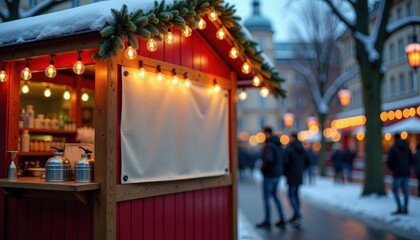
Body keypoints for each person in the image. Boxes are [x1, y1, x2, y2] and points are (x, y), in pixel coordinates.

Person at [256, 127, 286, 229]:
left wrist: (262, 169)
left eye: (263, 134)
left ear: (267, 133)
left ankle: (267, 220)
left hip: (269, 175)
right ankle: (282, 218)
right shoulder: (279, 145)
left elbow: (269, 160)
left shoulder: (269, 146)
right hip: (277, 174)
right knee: (275, 196)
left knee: (266, 198)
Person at [284, 133, 310, 227]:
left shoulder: (290, 149)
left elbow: (286, 163)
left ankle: (298, 215)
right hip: (299, 175)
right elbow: (308, 161)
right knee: (296, 195)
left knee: (291, 195)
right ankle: (295, 215)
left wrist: (286, 172)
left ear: (292, 138)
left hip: (291, 175)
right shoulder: (302, 149)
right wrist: (301, 169)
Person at [386, 133, 413, 214]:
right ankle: (405, 208)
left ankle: (399, 207)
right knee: (406, 192)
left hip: (397, 173)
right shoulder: (407, 148)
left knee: (395, 191)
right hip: (406, 172)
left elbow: (389, 161)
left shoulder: (393, 148)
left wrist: (393, 168)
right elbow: (411, 159)